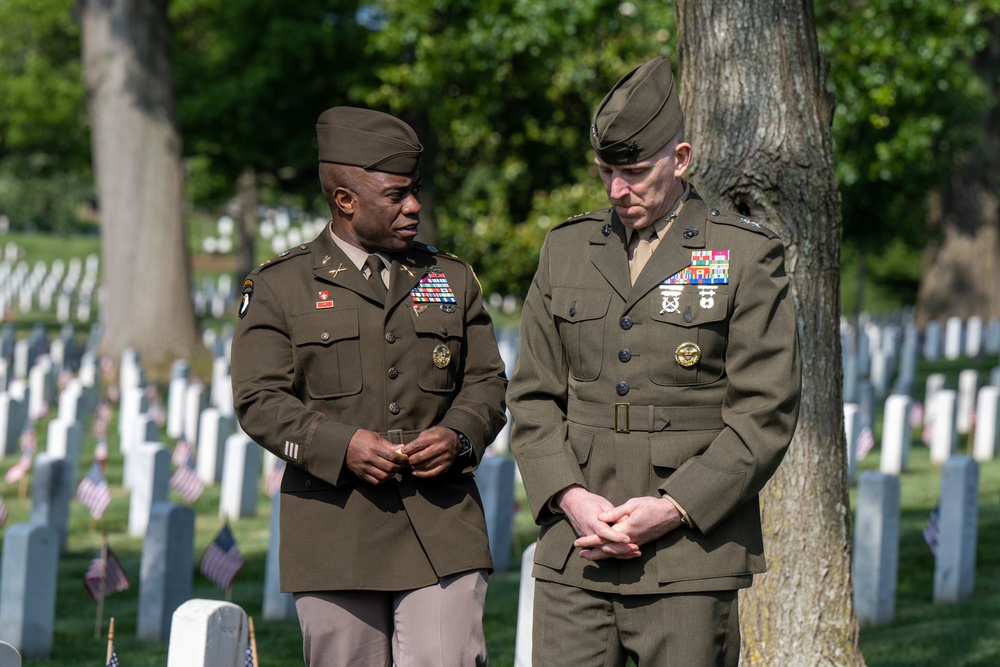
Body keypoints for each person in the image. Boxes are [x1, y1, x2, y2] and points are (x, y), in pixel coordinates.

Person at [507, 55, 801, 666]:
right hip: (576, 549)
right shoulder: (566, 249)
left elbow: (764, 411)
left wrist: (672, 508)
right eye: (606, 172)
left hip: (690, 554)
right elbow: (533, 395)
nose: (617, 190)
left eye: (634, 172)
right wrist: (568, 495)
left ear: (683, 158)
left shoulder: (744, 254)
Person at [231, 106, 508, 667]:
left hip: (441, 522)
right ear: (345, 200)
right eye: (396, 194)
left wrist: (459, 435)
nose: (414, 207)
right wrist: (341, 445)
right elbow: (258, 400)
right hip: (335, 527)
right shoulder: (281, 286)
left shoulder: (450, 278)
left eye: (416, 191)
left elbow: (485, 381)